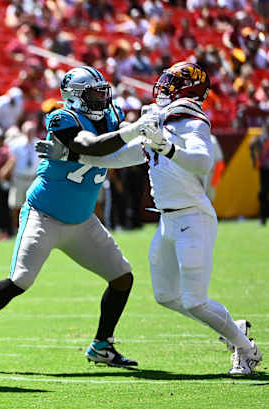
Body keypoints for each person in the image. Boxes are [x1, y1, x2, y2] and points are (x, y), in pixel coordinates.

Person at [36, 61, 261, 375]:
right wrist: (69, 156)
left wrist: (166, 147)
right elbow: (120, 157)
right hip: (168, 221)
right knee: (166, 296)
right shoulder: (163, 118)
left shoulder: (188, 117)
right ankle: (232, 329)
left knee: (195, 300)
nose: (163, 87)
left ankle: (245, 349)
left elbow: (201, 162)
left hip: (192, 217)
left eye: (172, 82)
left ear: (186, 89)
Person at [0, 66, 154, 368]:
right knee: (20, 280)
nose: (101, 99)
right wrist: (136, 131)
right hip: (43, 214)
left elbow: (117, 151)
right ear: (75, 97)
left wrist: (150, 136)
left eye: (102, 92)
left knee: (122, 278)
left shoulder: (110, 116)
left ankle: (102, 345)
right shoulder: (63, 118)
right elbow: (92, 147)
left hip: (82, 220)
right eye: (93, 94)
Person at [250, 123, 269, 225]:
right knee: (262, 194)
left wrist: (253, 160)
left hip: (264, 167)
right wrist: (253, 160)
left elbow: (252, 145)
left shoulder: (261, 138)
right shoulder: (261, 138)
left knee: (263, 194)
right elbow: (251, 145)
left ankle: (263, 218)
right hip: (264, 168)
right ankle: (263, 218)